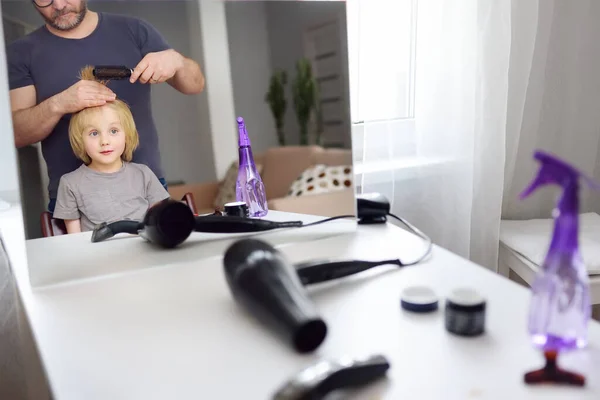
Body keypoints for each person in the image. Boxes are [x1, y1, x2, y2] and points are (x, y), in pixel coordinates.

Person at [6, 0, 205, 214]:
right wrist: (59, 103)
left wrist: (178, 61)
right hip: (75, 199)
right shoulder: (20, 53)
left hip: (147, 190)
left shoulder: (135, 30)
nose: (59, 5)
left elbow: (195, 85)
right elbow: (16, 135)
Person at [52, 66, 170, 233]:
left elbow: (159, 225)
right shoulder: (70, 183)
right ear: (80, 140)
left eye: (113, 131)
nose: (105, 141)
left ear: (127, 135)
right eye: (94, 133)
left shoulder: (144, 174)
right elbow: (74, 242)